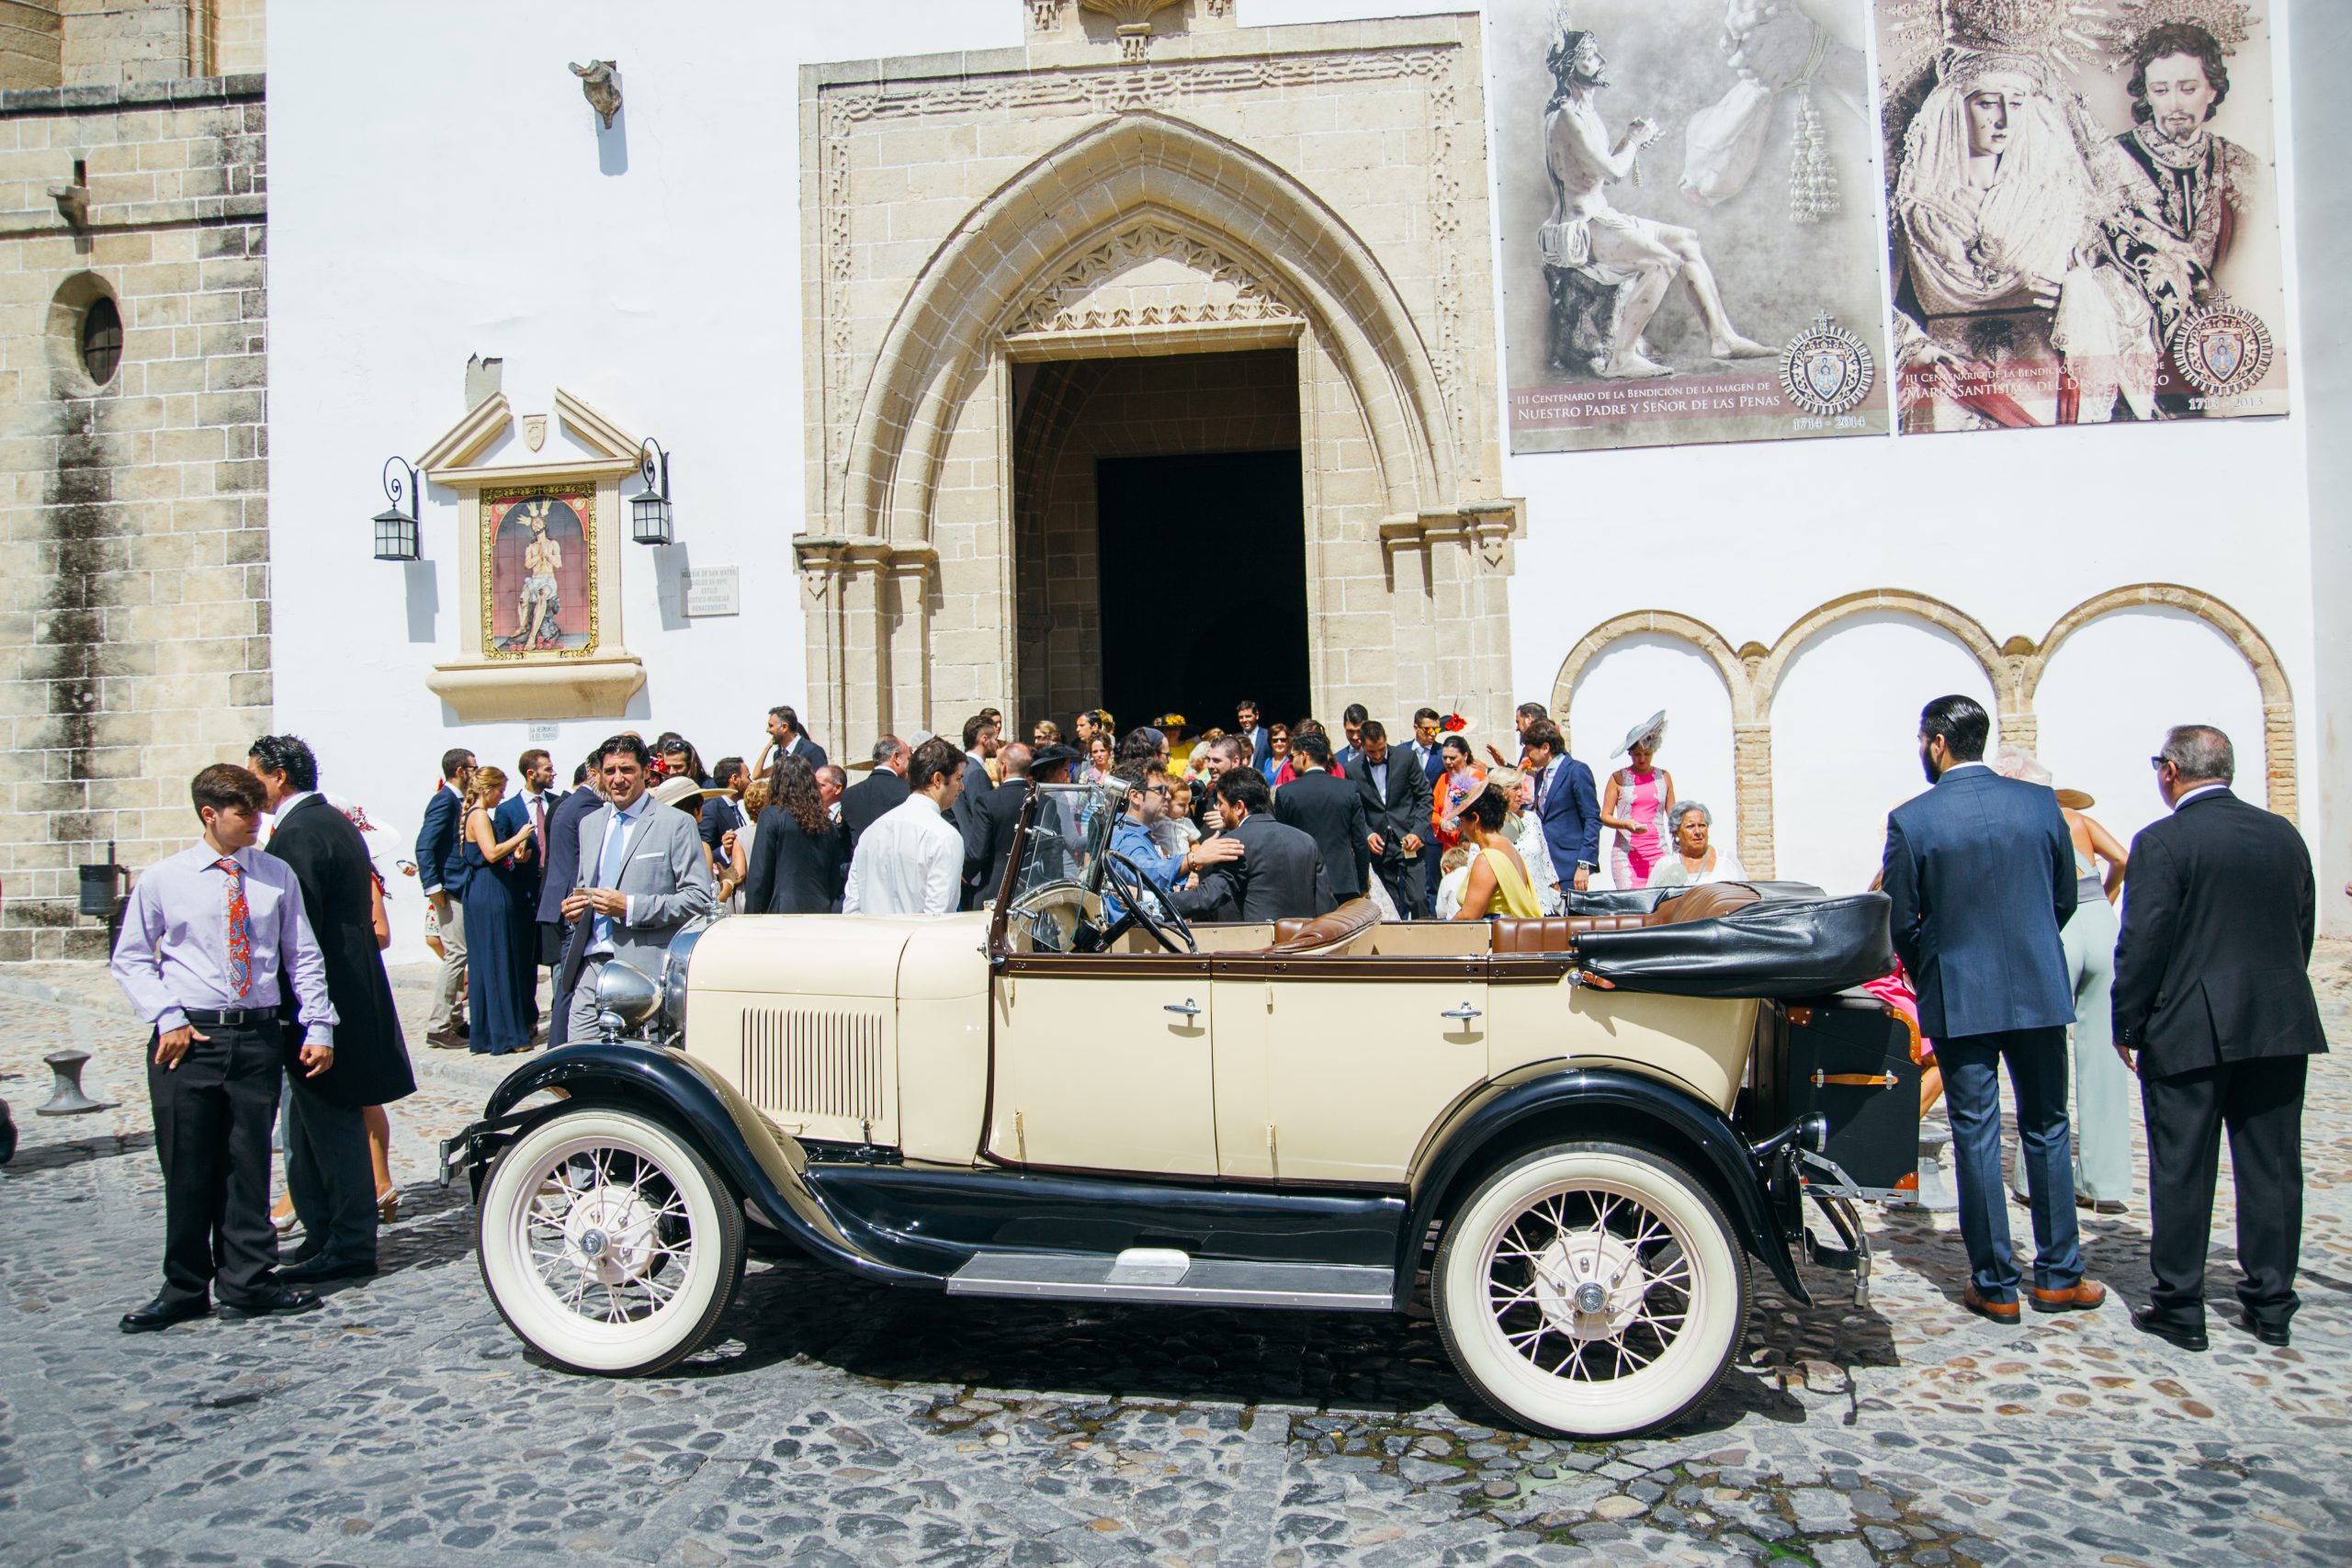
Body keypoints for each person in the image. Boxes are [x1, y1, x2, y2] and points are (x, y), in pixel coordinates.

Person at [1881, 694, 2097, 1325]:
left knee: (1975, 1133)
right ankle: (2059, 1274)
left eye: (1923, 739)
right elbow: (2063, 896)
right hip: (2036, 988)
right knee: (2047, 1126)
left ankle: (1996, 1281)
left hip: (1959, 989)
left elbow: (1901, 919)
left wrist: (1935, 966)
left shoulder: (1913, 819)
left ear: (1938, 742)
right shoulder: (2038, 805)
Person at [2114, 725, 2327, 1352]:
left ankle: (2180, 1302)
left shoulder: (2163, 840)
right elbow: (2302, 924)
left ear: (2172, 771)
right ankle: (2270, 1302)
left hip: (2189, 1025)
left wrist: (2128, 1021)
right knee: (2273, 1166)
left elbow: (2144, 941)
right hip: (2278, 1019)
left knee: (2183, 1165)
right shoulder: (2282, 835)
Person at [110, 764, 334, 1330]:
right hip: (190, 1038)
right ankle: (185, 1285)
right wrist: (167, 1018)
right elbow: (132, 956)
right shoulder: (165, 879)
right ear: (210, 814)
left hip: (256, 1032)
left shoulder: (274, 874)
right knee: (187, 1164)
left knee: (247, 1162)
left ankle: (249, 1279)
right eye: (245, 812)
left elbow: (301, 954)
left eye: (260, 810)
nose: (258, 821)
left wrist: (319, 1024)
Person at [1893, 51, 2155, 429]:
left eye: (2016, 103)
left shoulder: (2062, 203)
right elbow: (1871, 302)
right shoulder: (1913, 206)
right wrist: (1918, 351)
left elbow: (2128, 297)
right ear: (1952, 107)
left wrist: (2079, 299)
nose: (2004, 119)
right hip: (1946, 383)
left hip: (2042, 382)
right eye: (1986, 103)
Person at [247, 736, 414, 1283]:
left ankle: (346, 1241)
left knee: (332, 1123)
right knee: (307, 1124)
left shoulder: (297, 834)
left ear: (277, 777)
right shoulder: (332, 821)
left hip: (323, 1000)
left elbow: (295, 929)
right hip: (346, 990)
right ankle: (322, 1232)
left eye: (255, 776)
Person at [1539, 27, 1774, 379]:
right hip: (1580, 230)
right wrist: (1633, 141)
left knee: (1686, 240)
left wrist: (1628, 141)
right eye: (1590, 57)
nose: (1600, 61)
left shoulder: (1583, 112)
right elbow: (1614, 173)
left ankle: (1722, 337)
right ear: (1571, 68)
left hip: (1599, 215)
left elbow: (1597, 171)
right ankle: (1621, 357)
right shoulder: (1568, 117)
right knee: (1664, 262)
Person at [1992, 744, 2132, 1213]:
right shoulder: (2077, 818)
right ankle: (2104, 1182)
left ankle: (2035, 1180)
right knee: (2106, 1055)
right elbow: (2125, 860)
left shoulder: (2020, 820)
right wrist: (2106, 899)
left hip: (2057, 925)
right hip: (2100, 923)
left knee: (2043, 1049)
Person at [2108, 22, 2256, 413]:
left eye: (2188, 88)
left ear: (2212, 88)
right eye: (2161, 90)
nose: (2174, 104)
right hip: (2139, 353)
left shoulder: (2241, 166)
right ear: (2146, 93)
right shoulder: (2111, 164)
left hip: (2221, 350)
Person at [559, 734, 718, 1040]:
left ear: (645, 772)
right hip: (591, 966)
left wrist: (630, 907)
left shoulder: (675, 823)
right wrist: (575, 909)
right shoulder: (590, 823)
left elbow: (698, 899)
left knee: (635, 1071)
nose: (617, 779)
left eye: (626, 770)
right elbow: (585, 886)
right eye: (610, 771)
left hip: (643, 970)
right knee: (581, 1062)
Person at [1173, 766, 1336, 923]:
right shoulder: (1306, 841)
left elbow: (1208, 897)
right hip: (1305, 944)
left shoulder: (1234, 842)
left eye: (1221, 803)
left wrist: (1159, 905)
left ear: (1239, 807)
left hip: (1259, 946)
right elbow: (1326, 905)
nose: (1217, 809)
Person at [459, 765, 537, 1057]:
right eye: (500, 790)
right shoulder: (478, 815)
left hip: (487, 887)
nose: (501, 796)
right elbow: (490, 852)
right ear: (488, 788)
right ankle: (505, 1034)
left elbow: (492, 855)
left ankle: (491, 1032)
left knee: (490, 961)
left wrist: (516, 853)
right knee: (497, 960)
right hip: (488, 892)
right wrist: (520, 836)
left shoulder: (477, 815)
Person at [843, 736, 967, 917]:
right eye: (959, 778)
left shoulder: (871, 832)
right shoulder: (945, 837)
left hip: (871, 941)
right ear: (938, 779)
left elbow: (852, 909)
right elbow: (938, 917)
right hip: (915, 943)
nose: (962, 787)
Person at [1104, 765, 1244, 919]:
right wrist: (1192, 859)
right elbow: (1144, 872)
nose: (1168, 797)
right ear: (1136, 796)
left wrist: (1181, 881)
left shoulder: (1140, 832)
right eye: (1161, 790)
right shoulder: (1126, 835)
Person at [537, 758, 604, 1048]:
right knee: (572, 983)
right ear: (593, 774)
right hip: (574, 903)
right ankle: (562, 1046)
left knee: (566, 982)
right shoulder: (588, 807)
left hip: (559, 897)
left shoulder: (568, 802)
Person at [413, 747, 476, 1048]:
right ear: (461, 771)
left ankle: (455, 1019)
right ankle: (439, 1025)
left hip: (457, 886)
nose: (476, 773)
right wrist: (433, 886)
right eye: (473, 768)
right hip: (448, 889)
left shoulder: (459, 801)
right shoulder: (444, 801)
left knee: (460, 954)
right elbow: (425, 845)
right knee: (456, 955)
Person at [494, 747, 560, 1028]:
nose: (553, 772)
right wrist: (515, 858)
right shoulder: (507, 809)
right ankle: (527, 1016)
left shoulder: (557, 803)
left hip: (553, 887)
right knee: (524, 959)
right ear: (531, 773)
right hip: (523, 891)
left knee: (557, 955)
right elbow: (498, 851)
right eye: (547, 768)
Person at [743, 755, 849, 914]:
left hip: (782, 912)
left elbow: (760, 874)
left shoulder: (771, 816)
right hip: (821, 910)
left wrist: (750, 916)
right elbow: (833, 878)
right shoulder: (826, 824)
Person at [1273, 729, 1368, 901]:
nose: (1290, 762)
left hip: (1302, 883)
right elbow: (1360, 842)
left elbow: (1281, 846)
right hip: (1344, 882)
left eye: (1291, 757)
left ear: (1304, 756)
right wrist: (1362, 884)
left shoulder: (1286, 793)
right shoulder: (1348, 789)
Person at [1356, 719, 1433, 921]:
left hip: (1409, 838)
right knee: (1389, 905)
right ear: (1362, 746)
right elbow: (1355, 810)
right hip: (1380, 846)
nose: (1379, 755)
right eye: (1372, 752)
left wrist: (1418, 831)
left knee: (1417, 898)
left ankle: (1423, 944)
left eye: (1381, 749)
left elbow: (1425, 796)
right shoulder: (1352, 769)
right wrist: (1367, 833)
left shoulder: (1406, 758)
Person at [1524, 717, 1601, 900]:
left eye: (1529, 751)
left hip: (1570, 863)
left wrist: (1584, 864)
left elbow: (1592, 818)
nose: (1527, 757)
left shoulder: (1576, 771)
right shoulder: (1541, 775)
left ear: (1545, 747)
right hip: (1546, 863)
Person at [1600, 712, 1674, 889]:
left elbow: (1674, 815)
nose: (1642, 759)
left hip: (1658, 853)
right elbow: (1605, 816)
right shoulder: (1618, 778)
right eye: (1637, 754)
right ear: (1630, 753)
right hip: (1627, 855)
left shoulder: (1663, 777)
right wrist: (1625, 824)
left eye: (1647, 754)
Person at [1450, 783, 1543, 920]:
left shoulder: (1487, 859)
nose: (1461, 828)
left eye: (1461, 821)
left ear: (1475, 819)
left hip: (1494, 938)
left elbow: (1469, 917)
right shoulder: (1511, 849)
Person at [970, 741, 1034, 905]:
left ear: (1004, 766)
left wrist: (965, 874)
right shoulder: (1045, 801)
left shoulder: (988, 801)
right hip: (1034, 891)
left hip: (995, 889)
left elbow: (978, 852)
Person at [949, 713, 1001, 909]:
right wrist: (970, 869)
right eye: (994, 737)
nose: (997, 742)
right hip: (975, 868)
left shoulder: (964, 768)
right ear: (984, 739)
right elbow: (983, 822)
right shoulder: (977, 772)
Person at [1647, 799, 1747, 886]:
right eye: (1690, 826)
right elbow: (1651, 902)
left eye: (1702, 825)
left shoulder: (1727, 860)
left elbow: (1747, 898)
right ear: (1676, 832)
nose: (1698, 832)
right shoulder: (1666, 865)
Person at [841, 736, 910, 855]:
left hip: (862, 867)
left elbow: (845, 841)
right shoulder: (908, 791)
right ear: (896, 757)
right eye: (908, 759)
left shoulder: (849, 794)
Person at [1429, 735, 1486, 852]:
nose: (1448, 762)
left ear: (1465, 756)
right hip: (1450, 848)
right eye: (1444, 758)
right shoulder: (1443, 779)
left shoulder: (1480, 778)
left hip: (1474, 844)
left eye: (1453, 758)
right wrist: (1442, 822)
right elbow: (1431, 810)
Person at [700, 754, 750, 863]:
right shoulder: (711, 810)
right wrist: (724, 850)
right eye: (748, 777)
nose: (750, 782)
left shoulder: (740, 808)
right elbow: (703, 855)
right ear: (735, 779)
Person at [763, 705, 828, 773]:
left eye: (771, 726)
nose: (767, 730)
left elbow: (821, 781)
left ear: (784, 727)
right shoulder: (777, 755)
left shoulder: (812, 751)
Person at [1487, 702, 1548, 769]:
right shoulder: (1526, 750)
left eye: (1518, 722)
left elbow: (1531, 777)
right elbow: (1522, 775)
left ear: (1529, 719)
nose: (1517, 728)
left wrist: (1487, 770)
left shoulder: (1544, 749)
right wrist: (1505, 764)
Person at [1408, 708, 1445, 789]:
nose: (1433, 733)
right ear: (1416, 727)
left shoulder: (1443, 752)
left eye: (1437, 729)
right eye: (1428, 729)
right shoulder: (1401, 751)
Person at [1236, 698, 1270, 773]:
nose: (1244, 720)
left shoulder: (1267, 736)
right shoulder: (1236, 739)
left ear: (1257, 715)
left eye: (1248, 716)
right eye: (1241, 717)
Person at [1336, 703, 1369, 777]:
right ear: (1344, 726)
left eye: (1359, 731)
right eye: (1350, 731)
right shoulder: (1336, 760)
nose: (1355, 737)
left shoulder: (1380, 754)